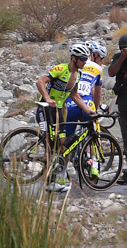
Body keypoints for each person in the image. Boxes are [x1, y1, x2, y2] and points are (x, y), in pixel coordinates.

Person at [36, 43, 95, 192]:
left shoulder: (78, 74)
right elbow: (40, 82)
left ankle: (60, 177)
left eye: (86, 59)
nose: (85, 62)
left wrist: (88, 110)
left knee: (64, 145)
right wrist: (48, 98)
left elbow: (74, 95)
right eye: (82, 59)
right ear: (74, 58)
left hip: (60, 110)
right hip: (46, 108)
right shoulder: (61, 69)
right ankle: (49, 181)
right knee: (51, 145)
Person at [64, 40, 104, 139]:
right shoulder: (98, 68)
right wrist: (96, 108)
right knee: (93, 134)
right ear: (92, 54)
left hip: (70, 102)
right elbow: (96, 94)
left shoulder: (70, 66)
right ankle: (92, 154)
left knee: (66, 136)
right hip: (87, 100)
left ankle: (64, 154)